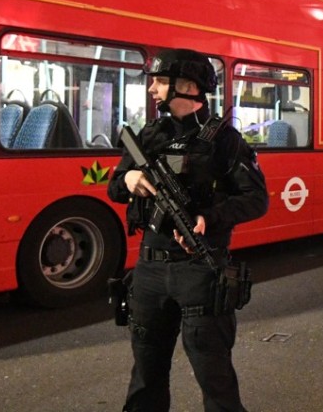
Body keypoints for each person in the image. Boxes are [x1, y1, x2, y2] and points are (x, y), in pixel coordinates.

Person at [108, 49, 269, 412]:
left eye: (160, 81)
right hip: (149, 270)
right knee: (145, 377)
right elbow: (114, 187)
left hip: (199, 267)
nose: (152, 88)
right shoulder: (149, 134)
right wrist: (129, 177)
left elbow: (257, 199)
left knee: (214, 378)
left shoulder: (224, 140)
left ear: (188, 87)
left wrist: (209, 218)